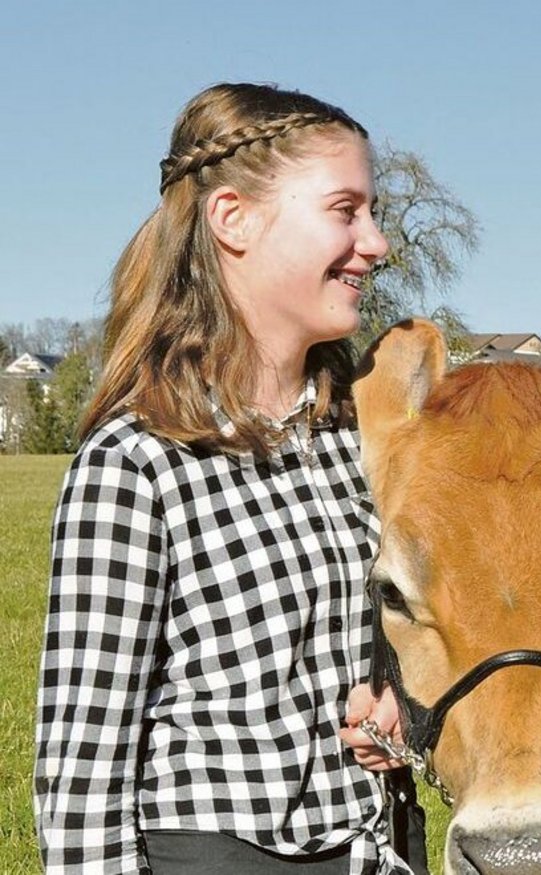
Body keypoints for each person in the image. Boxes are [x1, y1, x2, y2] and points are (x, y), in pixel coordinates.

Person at [32, 83, 425, 874]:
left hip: (376, 852)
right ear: (233, 220)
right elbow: (81, 784)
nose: (377, 242)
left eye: (372, 212)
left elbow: (399, 657)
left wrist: (401, 707)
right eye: (345, 210)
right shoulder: (136, 463)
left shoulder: (362, 442)